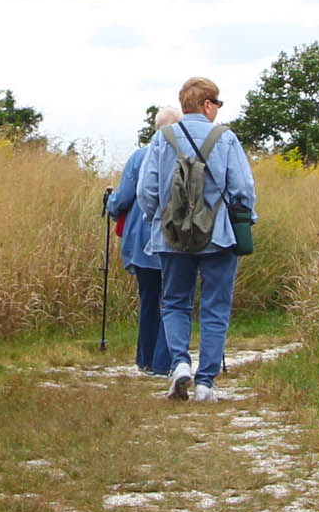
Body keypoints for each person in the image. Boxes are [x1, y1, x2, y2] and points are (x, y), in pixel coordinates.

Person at [137, 77, 257, 403]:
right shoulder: (226, 138)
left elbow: (146, 191)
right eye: (217, 104)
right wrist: (245, 219)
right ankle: (205, 383)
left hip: (172, 238)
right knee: (215, 308)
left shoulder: (162, 139)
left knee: (175, 302)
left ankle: (178, 364)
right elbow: (242, 189)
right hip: (218, 236)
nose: (217, 110)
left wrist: (158, 221)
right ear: (207, 104)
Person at [105, 107, 182, 374]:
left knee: (149, 298)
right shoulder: (184, 154)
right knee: (172, 299)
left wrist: (110, 203)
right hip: (176, 238)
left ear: (156, 128)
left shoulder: (140, 156)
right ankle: (164, 363)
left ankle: (145, 360)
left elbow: (124, 197)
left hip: (142, 239)